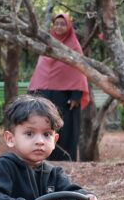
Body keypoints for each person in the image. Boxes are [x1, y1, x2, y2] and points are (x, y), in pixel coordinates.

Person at [0, 95, 101, 200]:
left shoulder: (54, 174)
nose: (40, 141)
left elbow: (70, 192)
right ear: (10, 139)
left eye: (46, 134)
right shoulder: (4, 166)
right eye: (29, 134)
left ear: (55, 140)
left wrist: (86, 198)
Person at [28, 13, 89, 161]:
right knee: (44, 127)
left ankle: (65, 160)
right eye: (57, 24)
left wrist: (76, 96)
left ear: (68, 27)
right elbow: (40, 73)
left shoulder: (74, 46)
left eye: (63, 24)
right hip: (45, 97)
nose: (59, 27)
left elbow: (79, 72)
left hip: (65, 100)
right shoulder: (48, 45)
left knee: (65, 131)